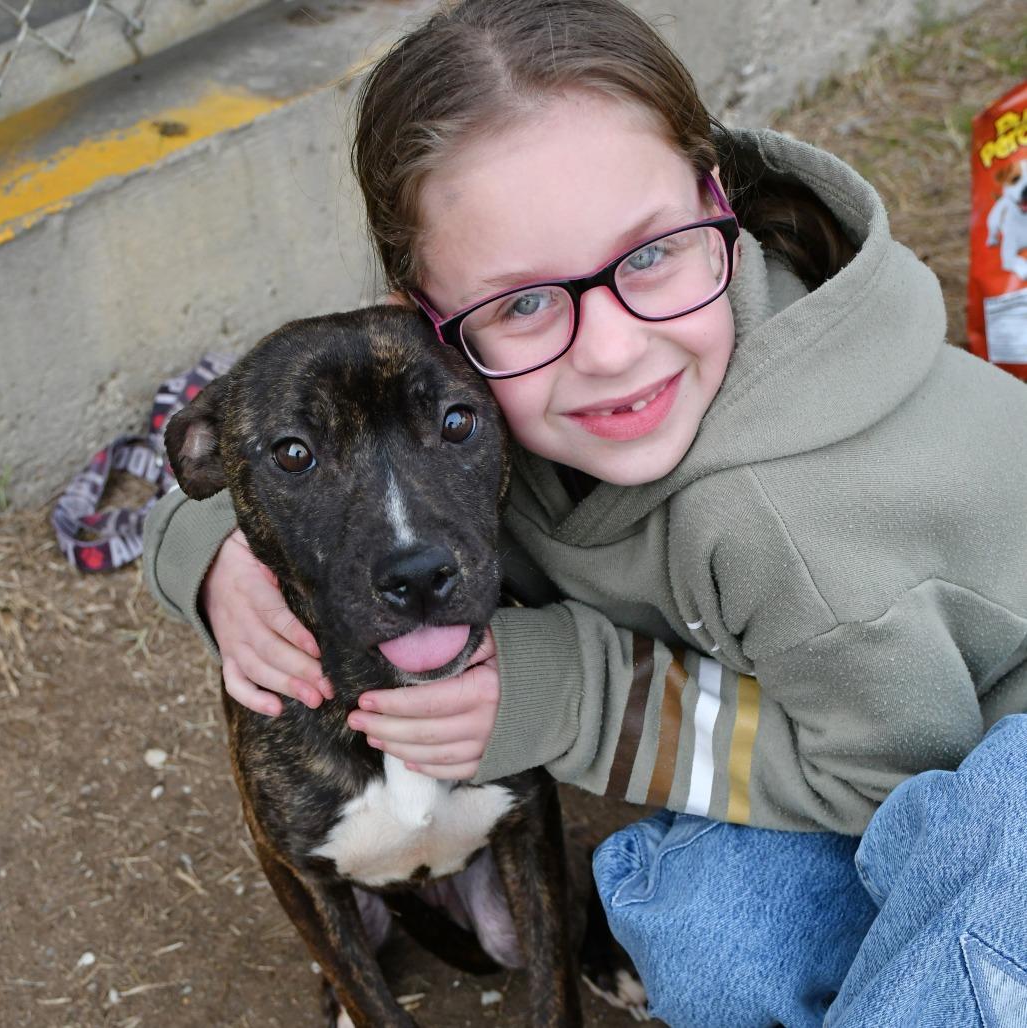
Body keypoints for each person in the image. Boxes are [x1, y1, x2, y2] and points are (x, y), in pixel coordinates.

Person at [143, 1, 1027, 1024]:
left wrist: (573, 694)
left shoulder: (782, 524)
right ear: (425, 322)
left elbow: (897, 779)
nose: (610, 350)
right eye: (522, 301)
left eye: (650, 253)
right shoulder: (481, 404)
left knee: (975, 960)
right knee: (702, 937)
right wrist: (217, 551)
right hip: (858, 730)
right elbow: (323, 420)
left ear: (719, 203)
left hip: (961, 755)